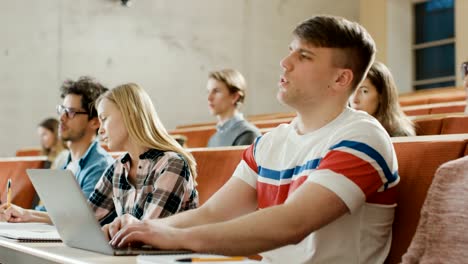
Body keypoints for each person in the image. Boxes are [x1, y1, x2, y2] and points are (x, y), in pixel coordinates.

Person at [106, 15, 399, 263]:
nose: (285, 62)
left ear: (340, 79)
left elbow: (293, 223)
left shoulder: (363, 138)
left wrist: (173, 237)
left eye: (304, 56)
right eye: (290, 51)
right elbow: (212, 213)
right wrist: (141, 228)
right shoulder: (269, 143)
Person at [0, 76, 114, 220]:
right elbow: (47, 209)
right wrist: (16, 213)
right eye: (62, 110)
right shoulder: (65, 162)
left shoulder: (101, 166)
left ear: (95, 122)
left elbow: (80, 218)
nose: (61, 118)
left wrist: (27, 215)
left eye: (71, 112)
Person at [89, 83, 198, 226]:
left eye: (104, 119)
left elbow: (149, 232)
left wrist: (112, 229)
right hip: (130, 248)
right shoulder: (117, 167)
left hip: (165, 248)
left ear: (130, 114)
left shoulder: (172, 165)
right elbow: (85, 218)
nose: (100, 131)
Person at [350, 61, 415, 136]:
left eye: (364, 91)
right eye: (352, 90)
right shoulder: (349, 128)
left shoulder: (400, 133)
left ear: (382, 95)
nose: (354, 100)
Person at [206, 69, 261, 147]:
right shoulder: (212, 139)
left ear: (235, 97)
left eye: (216, 91)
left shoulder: (248, 134)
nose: (209, 98)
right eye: (208, 91)